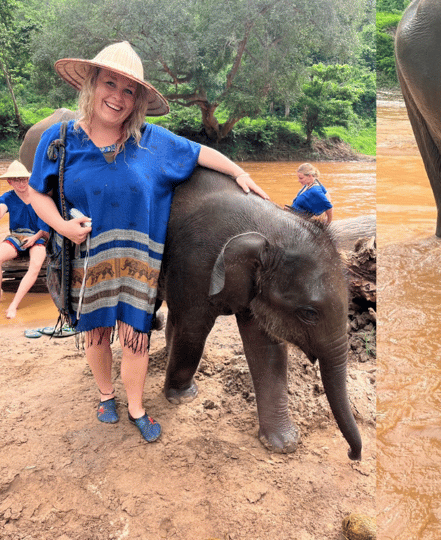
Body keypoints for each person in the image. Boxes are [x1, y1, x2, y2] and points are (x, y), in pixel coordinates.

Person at [24, 41, 269, 443]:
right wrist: (62, 227)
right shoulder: (61, 138)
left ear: (137, 100)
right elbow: (37, 193)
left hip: (139, 264)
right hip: (86, 258)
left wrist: (238, 172)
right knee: (97, 333)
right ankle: (106, 395)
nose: (117, 97)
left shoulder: (150, 141)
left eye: (128, 90)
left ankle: (135, 406)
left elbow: (199, 152)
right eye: (110, 83)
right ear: (91, 84)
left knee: (136, 337)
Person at [0, 160, 50, 319]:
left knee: (35, 265)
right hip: (16, 236)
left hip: (38, 236)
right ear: (10, 182)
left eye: (23, 179)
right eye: (16, 180)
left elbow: (47, 224)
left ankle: (13, 305)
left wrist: (34, 238)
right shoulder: (7, 197)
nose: (21, 183)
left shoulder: (39, 195)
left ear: (29, 179)